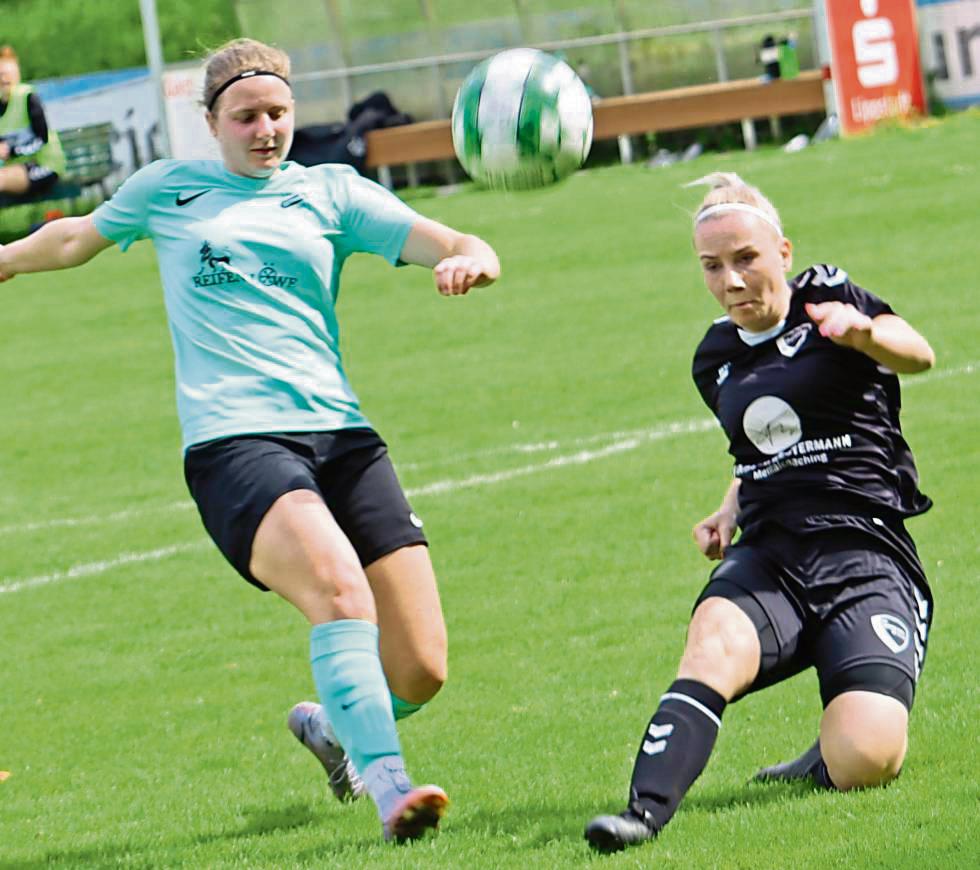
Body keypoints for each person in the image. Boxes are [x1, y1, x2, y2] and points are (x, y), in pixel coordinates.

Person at [0, 38, 500, 843]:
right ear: (210, 122)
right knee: (340, 593)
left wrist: (472, 261)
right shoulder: (169, 190)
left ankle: (335, 727)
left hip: (342, 436)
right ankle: (391, 790)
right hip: (234, 440)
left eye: (277, 113)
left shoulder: (331, 192)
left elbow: (455, 241)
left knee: (420, 665)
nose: (265, 129)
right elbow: (74, 237)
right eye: (246, 117)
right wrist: (5, 261)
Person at [585, 172, 935, 853]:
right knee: (711, 644)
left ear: (782, 250)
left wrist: (864, 334)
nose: (731, 280)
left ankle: (824, 756)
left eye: (745, 259)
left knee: (867, 760)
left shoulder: (828, 296)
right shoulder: (714, 357)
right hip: (772, 553)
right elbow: (760, 454)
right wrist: (726, 511)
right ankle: (643, 814)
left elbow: (917, 354)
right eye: (712, 267)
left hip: (866, 555)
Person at [0, 45, 65, 199]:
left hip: (45, 167)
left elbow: (42, 139)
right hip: (15, 169)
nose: (4, 79)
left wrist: (12, 151)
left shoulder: (28, 98)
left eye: (7, 74)